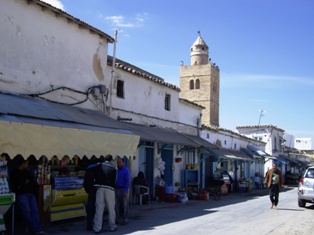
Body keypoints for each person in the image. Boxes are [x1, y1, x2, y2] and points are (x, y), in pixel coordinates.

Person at [10, 155, 47, 235]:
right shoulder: (14, 172)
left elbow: (31, 182)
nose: (27, 165)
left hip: (29, 193)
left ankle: (37, 229)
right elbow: (17, 185)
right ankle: (33, 230)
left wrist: (24, 183)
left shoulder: (26, 172)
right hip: (21, 194)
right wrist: (24, 183)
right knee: (27, 212)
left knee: (35, 211)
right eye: (26, 163)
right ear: (22, 163)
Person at [93, 154, 117, 233]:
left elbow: (95, 176)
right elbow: (115, 180)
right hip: (109, 189)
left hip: (99, 188)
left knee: (99, 208)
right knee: (111, 208)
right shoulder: (113, 168)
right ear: (111, 160)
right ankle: (112, 226)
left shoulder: (98, 166)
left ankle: (97, 228)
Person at [83, 159, 99, 231]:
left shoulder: (88, 170)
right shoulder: (98, 169)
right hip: (97, 190)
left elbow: (85, 182)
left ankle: (89, 225)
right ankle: (97, 224)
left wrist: (87, 190)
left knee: (90, 208)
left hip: (90, 191)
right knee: (98, 207)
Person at [115, 157, 130, 225]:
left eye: (120, 162)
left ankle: (125, 218)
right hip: (116, 189)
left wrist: (126, 190)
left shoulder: (126, 170)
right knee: (116, 205)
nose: (118, 164)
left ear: (123, 163)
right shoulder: (116, 170)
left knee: (124, 205)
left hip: (123, 189)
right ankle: (117, 218)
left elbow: (127, 181)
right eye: (117, 162)